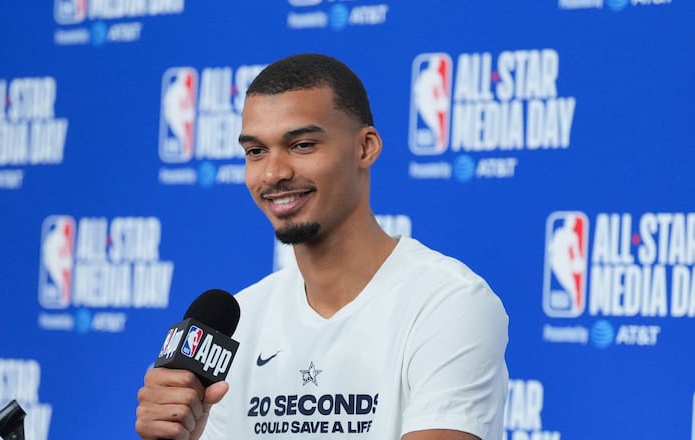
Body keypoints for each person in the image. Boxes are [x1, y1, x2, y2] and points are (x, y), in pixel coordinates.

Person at [136, 53, 509, 440]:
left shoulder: (447, 303)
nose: (273, 173)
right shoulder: (241, 319)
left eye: (301, 145)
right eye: (255, 151)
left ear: (365, 148)